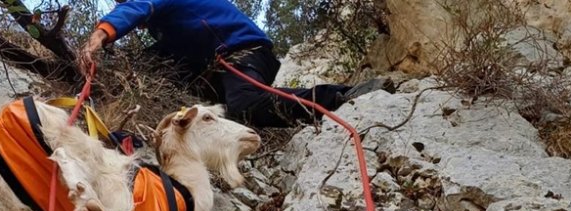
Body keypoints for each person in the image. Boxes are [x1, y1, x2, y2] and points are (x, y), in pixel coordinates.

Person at [79, 0, 394, 128]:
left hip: (243, 52)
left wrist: (100, 35)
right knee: (153, 62)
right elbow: (159, 55)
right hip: (213, 67)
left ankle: (339, 97)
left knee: (244, 104)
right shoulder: (170, 27)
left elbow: (138, 8)